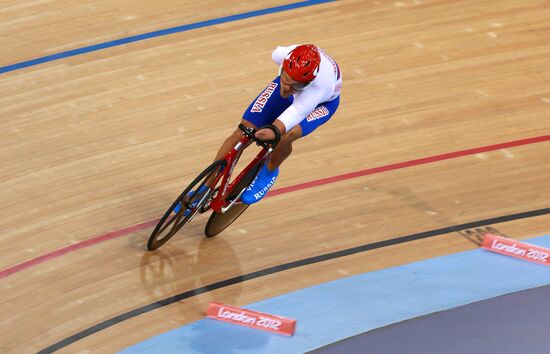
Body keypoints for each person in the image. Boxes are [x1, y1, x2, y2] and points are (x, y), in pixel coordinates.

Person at [214, 43, 342, 205]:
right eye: (286, 80)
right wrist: (290, 83)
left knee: (286, 134)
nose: (287, 88)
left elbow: (296, 112)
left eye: (296, 85)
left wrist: (274, 130)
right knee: (244, 129)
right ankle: (205, 187)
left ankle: (270, 170)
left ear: (308, 83)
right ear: (282, 67)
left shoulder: (318, 88)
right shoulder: (282, 55)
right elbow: (288, 81)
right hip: (294, 80)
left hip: (321, 104)